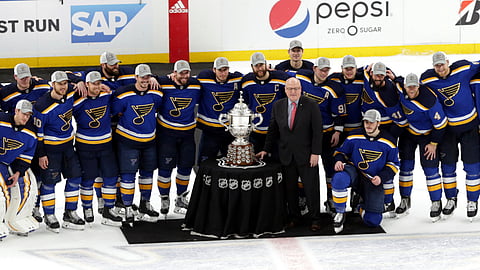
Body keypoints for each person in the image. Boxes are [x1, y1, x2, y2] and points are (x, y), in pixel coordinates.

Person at [257, 77, 323, 232]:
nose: (293, 92)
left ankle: (315, 219)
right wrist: (266, 149)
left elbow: (317, 131)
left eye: (296, 88)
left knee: (311, 188)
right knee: (290, 189)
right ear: (285, 90)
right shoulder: (278, 105)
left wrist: (315, 153)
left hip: (307, 156)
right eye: (290, 89)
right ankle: (294, 217)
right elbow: (273, 130)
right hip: (286, 155)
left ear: (301, 89)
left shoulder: (311, 105)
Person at [420, 51, 480, 218]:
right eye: (437, 65)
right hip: (448, 131)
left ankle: (472, 200)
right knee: (448, 168)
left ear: (448, 62)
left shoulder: (463, 67)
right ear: (434, 66)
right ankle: (451, 198)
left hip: (470, 128)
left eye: (442, 64)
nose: (440, 68)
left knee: (473, 168)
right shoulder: (427, 79)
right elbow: (414, 90)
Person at [331, 109, 399, 233]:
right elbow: (341, 152)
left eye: (371, 122)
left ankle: (359, 205)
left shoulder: (389, 141)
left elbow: (394, 164)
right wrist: (339, 160)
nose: (368, 125)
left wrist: (381, 177)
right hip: (355, 173)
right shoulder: (354, 135)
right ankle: (340, 213)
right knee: (339, 178)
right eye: (366, 122)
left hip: (373, 180)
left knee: (373, 221)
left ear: (378, 123)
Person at [111, 64, 163, 225]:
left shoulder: (157, 93)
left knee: (147, 174)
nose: (145, 80)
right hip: (128, 141)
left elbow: (158, 107)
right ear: (136, 77)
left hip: (149, 141)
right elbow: (115, 111)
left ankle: (144, 204)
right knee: (128, 175)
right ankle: (127, 207)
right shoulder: (123, 94)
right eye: (142, 77)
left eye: (148, 77)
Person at [34, 71, 85, 232]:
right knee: (49, 183)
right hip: (51, 150)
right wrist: (41, 154)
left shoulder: (70, 91)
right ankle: (49, 215)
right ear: (52, 84)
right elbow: (38, 134)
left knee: (75, 177)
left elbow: (80, 74)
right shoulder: (42, 107)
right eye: (60, 84)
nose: (63, 87)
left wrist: (79, 81)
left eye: (65, 83)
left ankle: (70, 212)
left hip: (68, 146)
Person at [0, 63, 51, 223]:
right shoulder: (6, 94)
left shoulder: (42, 86)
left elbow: (60, 87)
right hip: (12, 144)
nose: (25, 80)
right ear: (15, 77)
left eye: (27, 77)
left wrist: (19, 171)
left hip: (35, 140)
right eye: (21, 78)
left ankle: (30, 210)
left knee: (32, 177)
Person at [296, 57, 347, 215]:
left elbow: (339, 112)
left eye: (327, 70)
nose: (324, 73)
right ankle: (302, 197)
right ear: (314, 68)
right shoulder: (301, 77)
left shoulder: (334, 88)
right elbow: (281, 73)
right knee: (304, 168)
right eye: (322, 69)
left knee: (330, 168)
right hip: (306, 134)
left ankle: (331, 199)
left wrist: (338, 131)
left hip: (326, 134)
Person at [72, 71, 123, 226]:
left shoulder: (107, 95)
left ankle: (109, 208)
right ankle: (87, 208)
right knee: (87, 179)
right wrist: (78, 80)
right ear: (87, 84)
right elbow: (62, 79)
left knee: (110, 177)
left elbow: (123, 91)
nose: (97, 86)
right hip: (85, 146)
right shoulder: (76, 99)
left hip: (106, 145)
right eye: (93, 83)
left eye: (98, 83)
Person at [396, 73, 447, 221]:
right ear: (404, 87)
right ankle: (405, 199)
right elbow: (396, 80)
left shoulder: (429, 101)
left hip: (428, 136)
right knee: (405, 167)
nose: (411, 89)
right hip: (409, 133)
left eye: (414, 86)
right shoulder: (401, 89)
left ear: (418, 86)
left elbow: (441, 124)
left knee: (430, 169)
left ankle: (436, 202)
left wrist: (434, 143)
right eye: (408, 86)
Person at [360, 62, 406, 216]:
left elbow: (401, 121)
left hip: (385, 129)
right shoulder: (367, 76)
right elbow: (364, 68)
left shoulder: (389, 93)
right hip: (369, 127)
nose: (378, 78)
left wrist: (389, 138)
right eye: (376, 74)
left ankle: (389, 201)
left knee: (385, 165)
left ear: (385, 76)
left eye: (381, 75)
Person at [156, 60, 201, 216]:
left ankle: (181, 198)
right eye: (181, 73)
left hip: (187, 134)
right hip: (167, 134)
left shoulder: (195, 85)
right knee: (165, 168)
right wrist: (155, 78)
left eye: (187, 72)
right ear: (174, 73)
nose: (184, 76)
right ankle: (164, 197)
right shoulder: (162, 83)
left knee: (185, 168)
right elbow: (148, 80)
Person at [0, 100, 38, 238]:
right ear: (16, 111)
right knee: (2, 191)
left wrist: (18, 172)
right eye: (24, 114)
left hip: (7, 163)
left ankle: (15, 218)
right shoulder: (1, 120)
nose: (26, 118)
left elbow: (26, 155)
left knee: (27, 183)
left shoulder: (31, 132)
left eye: (28, 115)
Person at [241, 52, 290, 154]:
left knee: (278, 164)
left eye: (261, 65)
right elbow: (245, 102)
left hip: (277, 132)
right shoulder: (246, 82)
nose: (260, 68)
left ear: (266, 64)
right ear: (252, 67)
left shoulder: (282, 78)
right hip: (256, 132)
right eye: (256, 66)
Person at [196, 57, 242, 163]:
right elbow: (185, 80)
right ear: (214, 70)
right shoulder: (203, 78)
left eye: (225, 70)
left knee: (233, 164)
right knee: (204, 164)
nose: (223, 73)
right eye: (220, 70)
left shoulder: (237, 79)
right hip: (209, 130)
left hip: (229, 130)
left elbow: (254, 77)